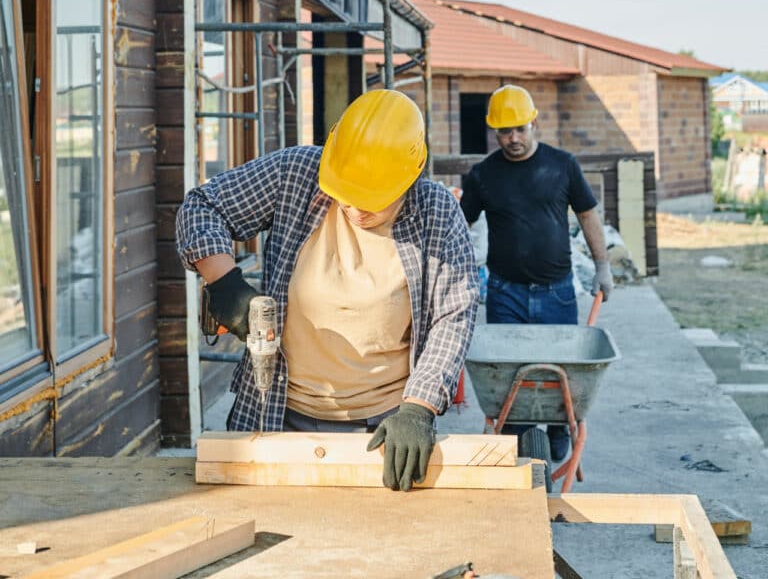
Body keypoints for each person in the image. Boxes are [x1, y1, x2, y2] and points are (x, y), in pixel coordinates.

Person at [176, 88, 479, 492]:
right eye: (346, 196)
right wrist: (224, 281)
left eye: (372, 200)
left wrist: (418, 408)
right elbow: (202, 207)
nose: (355, 209)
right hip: (274, 410)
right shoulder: (296, 174)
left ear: (411, 176)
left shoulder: (436, 210)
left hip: (384, 426)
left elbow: (453, 315)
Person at [460, 84, 613, 461]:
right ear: (495, 132)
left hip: (556, 292)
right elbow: (460, 225)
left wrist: (603, 265)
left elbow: (587, 215)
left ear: (533, 123)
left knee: (559, 373)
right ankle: (520, 438)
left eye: (520, 129)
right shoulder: (483, 176)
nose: (513, 139)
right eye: (504, 132)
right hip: (504, 292)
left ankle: (560, 426)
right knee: (509, 376)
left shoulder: (562, 165)